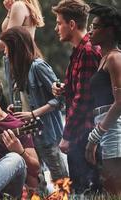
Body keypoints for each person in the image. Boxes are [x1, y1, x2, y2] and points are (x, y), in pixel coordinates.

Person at [0, 26, 68, 192]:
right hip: (27, 133)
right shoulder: (13, 67)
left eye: (6, 47)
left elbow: (61, 99)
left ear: (16, 47)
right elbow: (22, 97)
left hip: (47, 132)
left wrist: (33, 113)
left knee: (60, 178)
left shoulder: (38, 67)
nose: (4, 51)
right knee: (37, 177)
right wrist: (14, 106)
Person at [51, 0, 102, 194]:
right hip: (83, 133)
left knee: (84, 192)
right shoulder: (80, 50)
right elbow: (84, 87)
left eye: (58, 23)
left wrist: (66, 136)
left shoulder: (87, 51)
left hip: (85, 135)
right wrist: (65, 89)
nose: (57, 28)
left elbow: (84, 99)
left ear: (71, 24)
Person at [84, 3, 121, 195]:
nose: (90, 31)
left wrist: (95, 136)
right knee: (110, 188)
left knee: (115, 190)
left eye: (95, 27)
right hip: (105, 126)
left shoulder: (115, 58)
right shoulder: (103, 59)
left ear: (110, 31)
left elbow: (120, 101)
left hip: (114, 128)